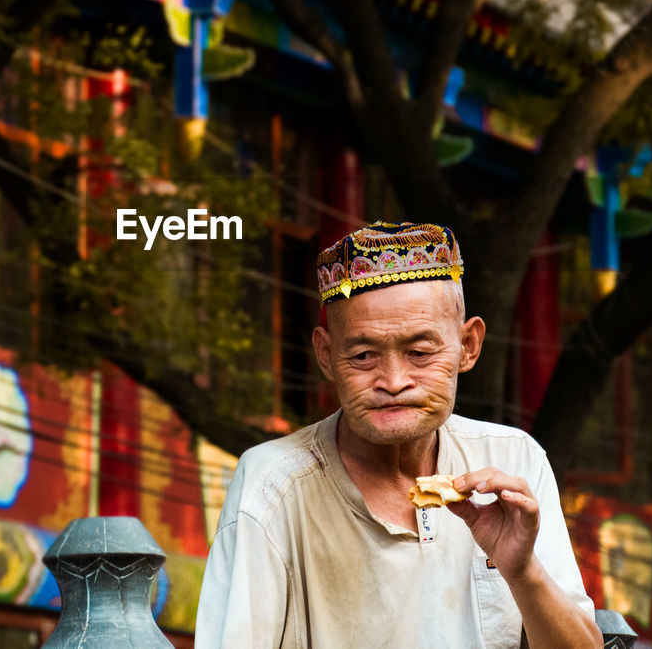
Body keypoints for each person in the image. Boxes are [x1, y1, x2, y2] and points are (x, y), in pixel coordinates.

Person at [196, 222, 601, 649]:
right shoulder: (272, 486)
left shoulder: (513, 461)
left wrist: (522, 572)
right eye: (363, 355)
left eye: (420, 353)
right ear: (326, 356)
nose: (392, 380)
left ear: (468, 346)